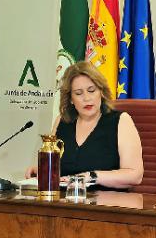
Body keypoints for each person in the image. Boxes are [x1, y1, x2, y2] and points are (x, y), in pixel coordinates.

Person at [25, 61, 143, 190]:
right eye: (78, 93)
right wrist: (41, 171)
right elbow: (57, 168)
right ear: (70, 98)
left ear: (101, 92)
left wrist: (90, 176)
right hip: (65, 202)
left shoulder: (120, 121)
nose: (87, 98)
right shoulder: (62, 122)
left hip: (106, 204)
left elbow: (134, 175)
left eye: (91, 90)